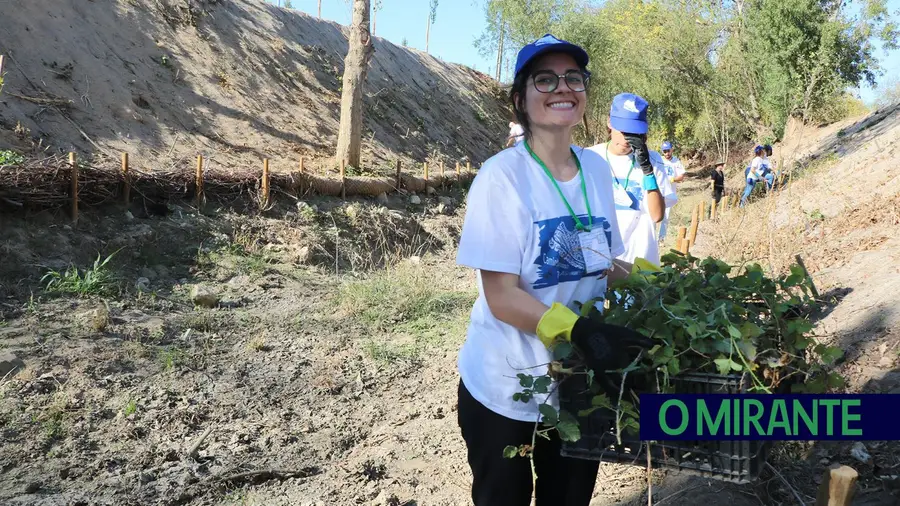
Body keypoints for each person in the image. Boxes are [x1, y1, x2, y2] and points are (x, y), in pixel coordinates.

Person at [455, 33, 655, 506]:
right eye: (545, 79)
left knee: (568, 499)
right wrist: (579, 330)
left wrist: (661, 284)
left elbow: (597, 260)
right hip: (506, 385)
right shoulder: (501, 176)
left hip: (578, 382)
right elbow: (501, 295)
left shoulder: (597, 169)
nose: (562, 87)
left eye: (573, 78)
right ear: (521, 99)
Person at [588, 93, 677, 266]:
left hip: (642, 260)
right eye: (623, 130)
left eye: (634, 132)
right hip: (601, 263)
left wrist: (647, 170)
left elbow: (657, 215)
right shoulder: (590, 157)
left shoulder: (654, 160)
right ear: (609, 122)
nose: (627, 139)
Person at [656, 140, 685, 242]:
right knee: (653, 215)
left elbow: (681, 176)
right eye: (664, 151)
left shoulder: (676, 162)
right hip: (658, 192)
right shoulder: (659, 160)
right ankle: (651, 238)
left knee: (665, 217)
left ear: (672, 150)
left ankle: (661, 238)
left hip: (669, 193)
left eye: (668, 151)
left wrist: (673, 179)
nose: (667, 153)